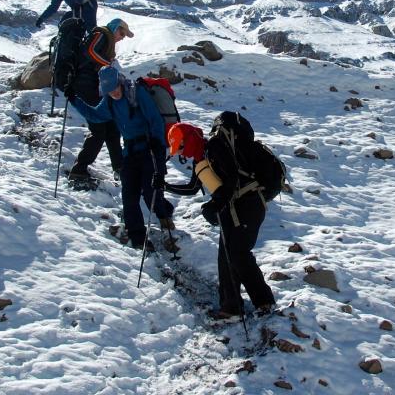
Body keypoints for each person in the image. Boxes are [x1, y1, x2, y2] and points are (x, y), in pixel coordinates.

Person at [165, 122, 276, 320]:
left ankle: (265, 302)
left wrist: (214, 205)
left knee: (238, 253)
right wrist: (164, 186)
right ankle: (231, 307)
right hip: (231, 207)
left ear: (189, 139)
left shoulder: (215, 147)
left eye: (181, 147)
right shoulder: (201, 157)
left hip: (249, 204)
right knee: (225, 256)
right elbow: (192, 188)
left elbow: (232, 180)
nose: (182, 153)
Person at [71, 66, 174, 251]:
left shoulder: (137, 93)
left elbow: (155, 119)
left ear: (120, 82)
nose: (114, 93)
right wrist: (74, 100)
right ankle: (138, 238)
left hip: (150, 148)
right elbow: (95, 115)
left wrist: (158, 147)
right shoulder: (109, 101)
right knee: (129, 196)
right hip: (130, 152)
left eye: (115, 88)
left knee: (151, 191)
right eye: (109, 90)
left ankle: (164, 213)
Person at [65, 18, 135, 187]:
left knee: (112, 127)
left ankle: (120, 168)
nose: (122, 37)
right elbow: (90, 51)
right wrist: (108, 65)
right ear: (115, 28)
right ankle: (79, 170)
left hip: (92, 86)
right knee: (99, 129)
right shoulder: (102, 34)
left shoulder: (107, 40)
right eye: (122, 33)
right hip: (85, 84)